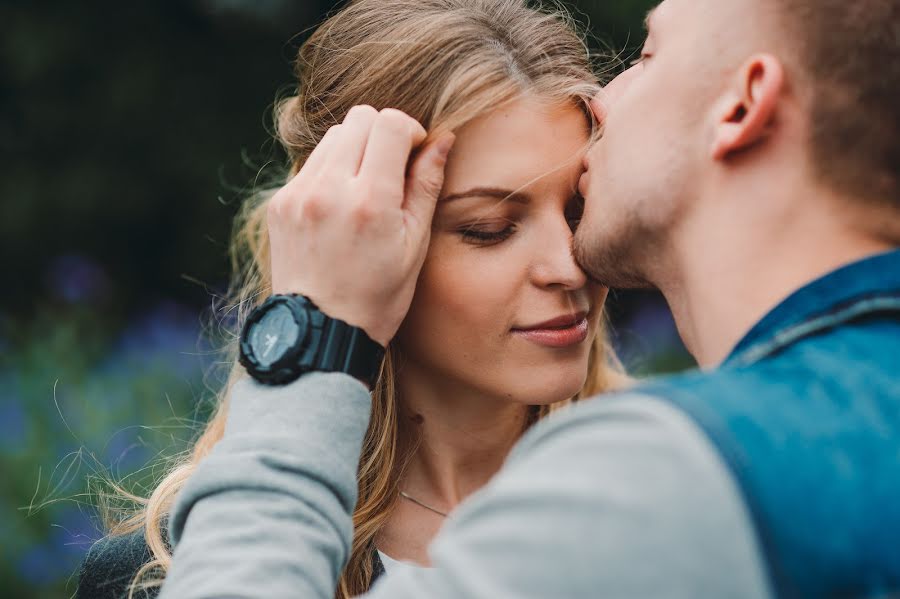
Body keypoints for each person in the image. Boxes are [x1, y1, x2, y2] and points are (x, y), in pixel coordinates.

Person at [157, 0, 900, 596]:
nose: (565, 265)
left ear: (744, 102)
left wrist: (311, 331)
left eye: (647, 55)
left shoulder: (662, 487)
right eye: (488, 228)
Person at [75, 1, 628, 598]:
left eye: (580, 211)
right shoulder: (170, 573)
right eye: (488, 227)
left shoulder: (677, 497)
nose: (569, 264)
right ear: (350, 235)